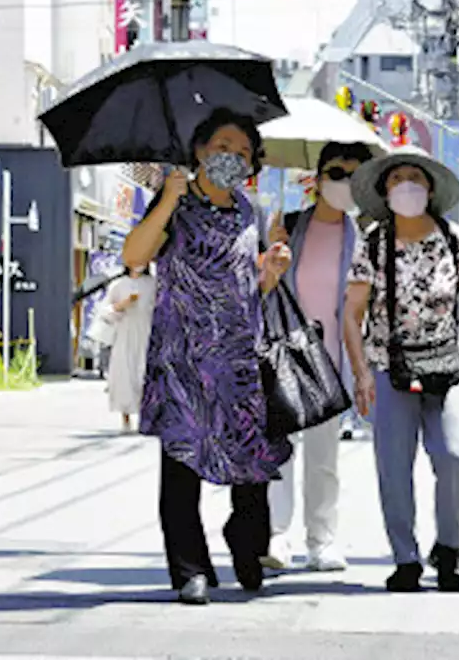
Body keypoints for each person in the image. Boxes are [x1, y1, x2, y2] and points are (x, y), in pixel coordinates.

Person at [122, 108, 293, 606]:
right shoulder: (173, 202)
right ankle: (189, 569)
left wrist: (270, 273)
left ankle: (246, 540)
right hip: (182, 359)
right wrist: (169, 196)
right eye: (222, 147)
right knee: (181, 465)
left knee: (253, 466)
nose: (232, 158)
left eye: (242, 152)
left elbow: (245, 285)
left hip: (240, 359)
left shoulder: (248, 211)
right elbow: (134, 258)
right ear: (199, 151)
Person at [343, 145, 459, 593]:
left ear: (430, 187)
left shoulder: (454, 237)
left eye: (414, 177)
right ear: (384, 191)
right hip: (388, 365)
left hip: (447, 362)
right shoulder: (373, 241)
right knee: (394, 466)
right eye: (395, 179)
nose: (405, 185)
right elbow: (351, 312)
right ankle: (405, 557)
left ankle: (450, 548)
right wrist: (360, 373)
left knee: (453, 455)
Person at [261, 141, 374, 574]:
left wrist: (363, 371)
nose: (343, 181)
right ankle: (277, 534)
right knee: (279, 451)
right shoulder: (287, 226)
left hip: (333, 360)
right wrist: (271, 263)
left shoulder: (364, 239)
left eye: (353, 173)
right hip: (285, 354)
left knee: (325, 458)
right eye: (335, 171)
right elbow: (261, 291)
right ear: (318, 176)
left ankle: (321, 540)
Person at [100, 265, 156, 433]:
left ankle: (145, 418)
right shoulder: (118, 284)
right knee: (124, 375)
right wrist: (122, 305)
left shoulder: (153, 284)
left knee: (144, 375)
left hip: (146, 333)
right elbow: (106, 312)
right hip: (125, 334)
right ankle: (125, 419)